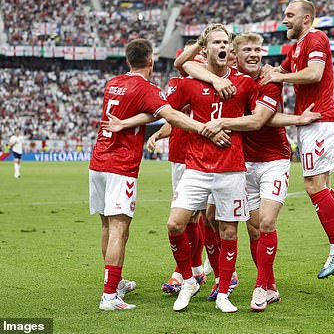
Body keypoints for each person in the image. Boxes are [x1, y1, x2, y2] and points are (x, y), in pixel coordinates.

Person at [105, 25, 258, 313]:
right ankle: (189, 278)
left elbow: (258, 119)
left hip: (231, 168)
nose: (222, 46)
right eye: (216, 42)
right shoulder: (188, 83)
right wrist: (156, 130)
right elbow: (169, 113)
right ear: (205, 49)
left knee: (227, 232)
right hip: (197, 167)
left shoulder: (245, 83)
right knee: (175, 224)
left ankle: (224, 291)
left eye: (226, 42)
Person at [90, 38, 227, 311]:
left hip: (98, 162)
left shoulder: (113, 83)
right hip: (121, 166)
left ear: (128, 61)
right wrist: (202, 129)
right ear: (151, 61)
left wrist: (133, 121)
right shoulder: (147, 88)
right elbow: (170, 115)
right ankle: (109, 296)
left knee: (106, 226)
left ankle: (115, 283)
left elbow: (146, 113)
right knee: (120, 229)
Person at [187, 32, 320, 311]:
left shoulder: (270, 80)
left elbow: (260, 120)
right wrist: (213, 78)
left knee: (267, 223)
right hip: (241, 163)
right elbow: (186, 65)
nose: (254, 54)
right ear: (234, 54)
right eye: (247, 49)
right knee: (250, 228)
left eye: (258, 50)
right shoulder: (230, 79)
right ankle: (266, 284)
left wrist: (222, 122)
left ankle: (260, 288)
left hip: (274, 159)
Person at [261, 0, 334, 278]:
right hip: (319, 121)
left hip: (319, 120)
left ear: (306, 19)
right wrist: (264, 73)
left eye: (290, 15)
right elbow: (278, 72)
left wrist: (280, 78)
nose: (285, 20)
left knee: (313, 186)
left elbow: (314, 74)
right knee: (325, 187)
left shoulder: (315, 38)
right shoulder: (295, 47)